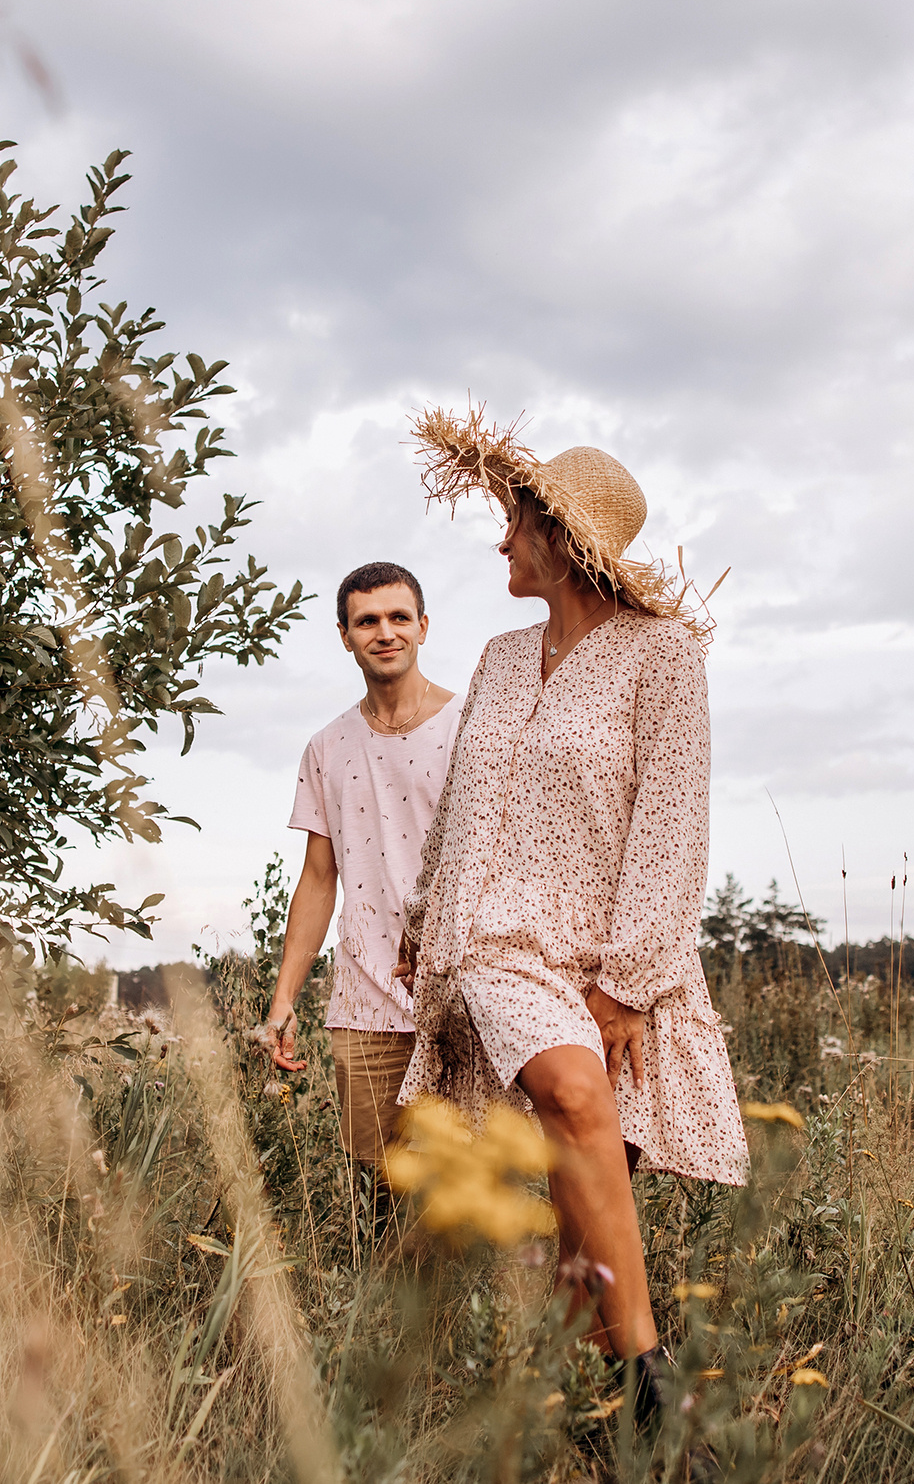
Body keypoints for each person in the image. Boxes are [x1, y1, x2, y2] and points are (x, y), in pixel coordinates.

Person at [395, 407, 746, 1434]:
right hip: (495, 941)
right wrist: (423, 917)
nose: (501, 541)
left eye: (515, 524)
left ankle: (572, 1424)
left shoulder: (662, 658)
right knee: (576, 1092)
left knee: (584, 1221)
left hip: (616, 954)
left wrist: (630, 981)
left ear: (562, 538)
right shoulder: (502, 660)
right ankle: (653, 1385)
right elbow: (462, 799)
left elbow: (673, 824)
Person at [257, 560, 461, 1182]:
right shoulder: (327, 747)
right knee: (377, 1187)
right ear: (345, 636)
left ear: (424, 626)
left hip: (462, 996)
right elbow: (319, 880)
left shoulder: (472, 727)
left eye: (399, 617)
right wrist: (284, 998)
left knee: (459, 1189)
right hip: (365, 1003)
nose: (385, 632)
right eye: (367, 621)